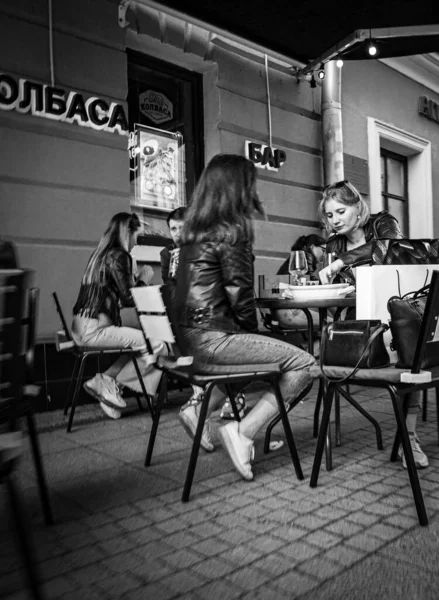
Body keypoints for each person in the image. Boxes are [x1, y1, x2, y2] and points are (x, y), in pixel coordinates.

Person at [173, 154, 316, 480]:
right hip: (212, 339)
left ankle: (198, 409)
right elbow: (241, 296)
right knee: (305, 365)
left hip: (188, 339)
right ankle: (244, 431)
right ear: (238, 187)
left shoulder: (193, 234)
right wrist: (257, 331)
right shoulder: (231, 230)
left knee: (261, 356)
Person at [317, 180, 427, 469]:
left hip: (396, 311)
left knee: (409, 361)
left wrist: (341, 262)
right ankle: (329, 433)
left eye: (340, 211)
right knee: (326, 351)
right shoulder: (334, 243)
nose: (335, 220)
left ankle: (410, 437)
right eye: (329, 215)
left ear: (357, 207)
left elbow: (391, 247)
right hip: (359, 320)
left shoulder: (383, 223)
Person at [72, 212, 166, 420]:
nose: (136, 243)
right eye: (136, 237)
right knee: (156, 344)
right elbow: (131, 299)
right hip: (96, 329)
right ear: (128, 232)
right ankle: (110, 383)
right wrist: (142, 279)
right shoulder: (118, 255)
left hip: (82, 327)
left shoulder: (101, 255)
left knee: (138, 346)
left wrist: (133, 280)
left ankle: (108, 381)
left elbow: (121, 300)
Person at [161, 207, 247, 420]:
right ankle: (201, 392)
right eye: (174, 229)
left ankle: (231, 394)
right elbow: (170, 288)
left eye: (183, 227)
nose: (178, 233)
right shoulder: (168, 254)